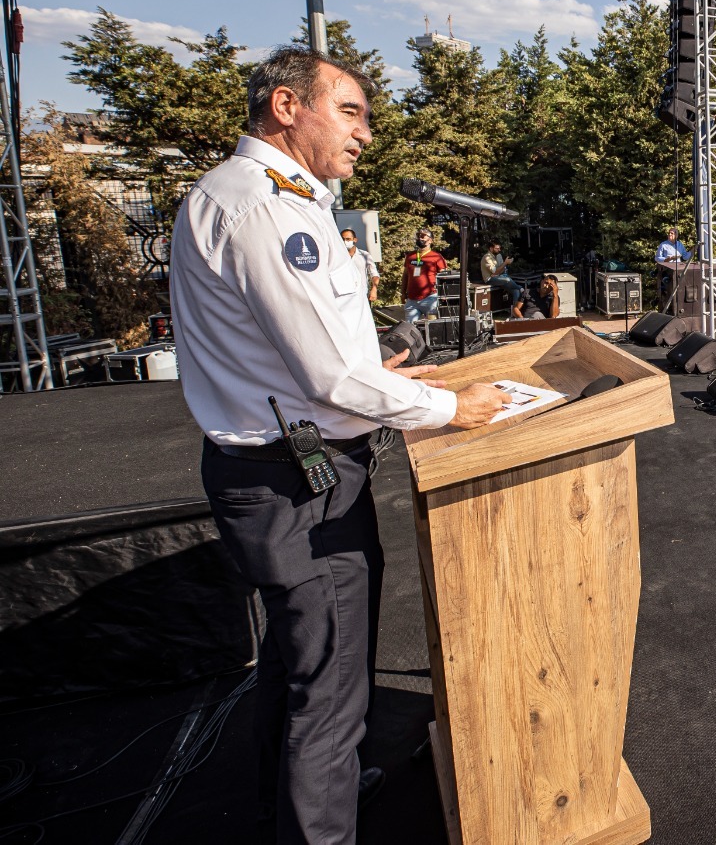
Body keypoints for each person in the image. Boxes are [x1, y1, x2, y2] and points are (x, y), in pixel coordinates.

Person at [168, 46, 507, 844]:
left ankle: (293, 801)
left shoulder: (238, 194)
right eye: (349, 113)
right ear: (288, 106)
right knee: (332, 687)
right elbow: (327, 378)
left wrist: (372, 372)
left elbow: (302, 354)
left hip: (271, 467)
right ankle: (320, 820)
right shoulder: (271, 210)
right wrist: (448, 404)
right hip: (299, 484)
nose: (364, 136)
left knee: (293, 665)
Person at [403, 228, 449, 322]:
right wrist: (403, 293)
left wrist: (444, 295)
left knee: (433, 328)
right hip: (412, 300)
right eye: (418, 236)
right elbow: (405, 275)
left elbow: (444, 277)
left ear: (430, 240)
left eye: (423, 236)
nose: (420, 238)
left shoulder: (436, 256)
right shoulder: (410, 256)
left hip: (430, 298)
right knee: (409, 328)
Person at [340, 228, 380, 304]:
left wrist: (374, 289)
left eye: (348, 239)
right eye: (342, 239)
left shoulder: (364, 255)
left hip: (362, 295)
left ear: (355, 240)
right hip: (343, 297)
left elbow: (374, 274)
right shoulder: (337, 257)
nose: (345, 242)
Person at [479, 240, 520, 310]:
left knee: (516, 290)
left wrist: (502, 268)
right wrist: (505, 263)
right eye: (497, 248)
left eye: (499, 248)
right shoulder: (487, 257)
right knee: (507, 280)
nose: (499, 250)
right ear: (491, 248)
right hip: (490, 279)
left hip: (499, 277)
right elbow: (495, 271)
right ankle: (521, 288)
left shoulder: (498, 256)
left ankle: (515, 310)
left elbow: (501, 270)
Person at [654, 225, 689, 305]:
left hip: (678, 270)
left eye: (672, 233)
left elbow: (685, 256)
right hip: (667, 271)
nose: (670, 235)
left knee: (679, 289)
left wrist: (692, 251)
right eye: (669, 233)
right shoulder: (663, 245)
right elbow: (657, 258)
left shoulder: (680, 245)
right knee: (669, 291)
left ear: (676, 235)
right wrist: (667, 259)